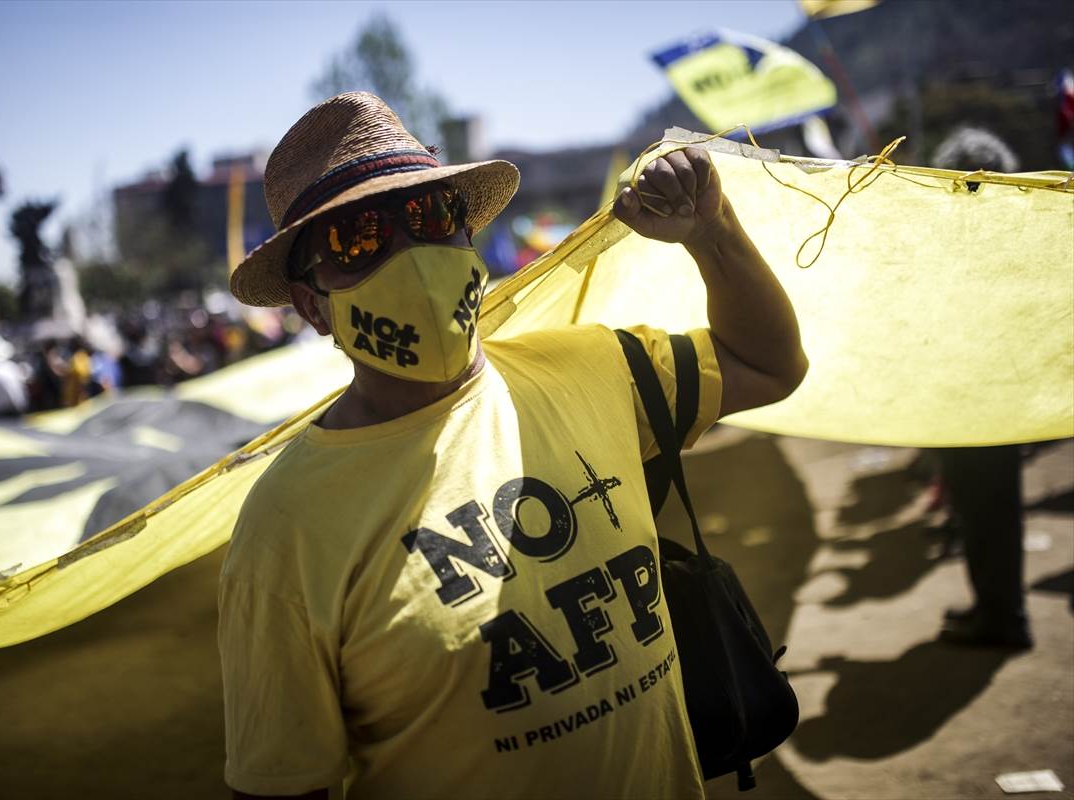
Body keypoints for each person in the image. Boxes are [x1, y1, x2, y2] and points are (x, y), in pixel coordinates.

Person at [218, 92, 808, 800]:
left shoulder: (595, 369)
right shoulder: (285, 529)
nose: (411, 252)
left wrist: (712, 233)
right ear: (311, 304)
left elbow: (769, 364)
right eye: (356, 240)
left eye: (432, 216)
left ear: (468, 236)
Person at [930, 127, 1031, 650]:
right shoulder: (1016, 232)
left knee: (987, 512)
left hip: (984, 402)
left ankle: (1002, 618)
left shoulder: (991, 242)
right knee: (984, 512)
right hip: (986, 400)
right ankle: (996, 608)